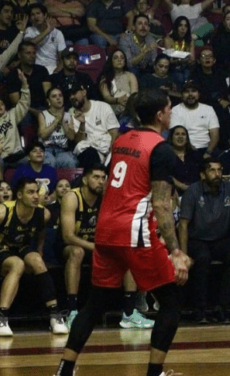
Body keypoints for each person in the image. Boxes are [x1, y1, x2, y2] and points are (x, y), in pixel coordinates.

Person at [55, 88, 192, 376]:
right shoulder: (160, 148)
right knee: (171, 302)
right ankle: (155, 373)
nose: (171, 113)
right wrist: (176, 250)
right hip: (134, 231)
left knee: (94, 303)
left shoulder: (122, 140)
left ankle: (65, 369)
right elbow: (161, 203)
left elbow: (110, 184)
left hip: (105, 229)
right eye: (169, 108)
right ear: (159, 114)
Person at [58, 164, 154, 331]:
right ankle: (72, 311)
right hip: (70, 246)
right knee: (77, 252)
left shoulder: (108, 198)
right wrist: (95, 247)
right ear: (85, 179)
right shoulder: (72, 197)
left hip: (99, 246)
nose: (101, 181)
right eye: (96, 177)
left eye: (103, 178)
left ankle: (130, 313)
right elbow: (68, 236)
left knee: (127, 252)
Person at [179, 158, 230, 324]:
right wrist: (183, 254)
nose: (217, 174)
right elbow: (183, 224)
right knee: (202, 258)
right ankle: (200, 310)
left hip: (221, 238)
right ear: (203, 175)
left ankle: (222, 308)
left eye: (219, 170)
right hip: (197, 239)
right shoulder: (193, 191)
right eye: (212, 170)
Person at [0, 177, 67, 337]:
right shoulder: (4, 211)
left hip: (21, 247)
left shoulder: (43, 213)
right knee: (18, 264)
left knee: (37, 260)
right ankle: (2, 317)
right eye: (30, 192)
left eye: (37, 192)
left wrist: (39, 251)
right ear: (20, 195)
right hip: (2, 248)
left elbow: (41, 233)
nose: (36, 196)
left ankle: (54, 315)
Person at [69, 84, 120, 167]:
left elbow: (114, 133)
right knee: (88, 153)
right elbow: (78, 142)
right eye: (69, 95)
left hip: (107, 148)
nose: (71, 97)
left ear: (84, 92)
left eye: (74, 93)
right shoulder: (72, 113)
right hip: (88, 151)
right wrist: (82, 123)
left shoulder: (103, 107)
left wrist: (111, 154)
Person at [169, 80, 220, 157]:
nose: (190, 94)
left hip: (207, 149)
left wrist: (208, 152)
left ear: (199, 94)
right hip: (186, 149)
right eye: (186, 91)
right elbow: (177, 135)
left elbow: (215, 134)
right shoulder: (175, 110)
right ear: (182, 95)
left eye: (193, 91)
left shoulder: (208, 109)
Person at [39, 87, 79, 168]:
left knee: (70, 161)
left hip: (62, 150)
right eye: (54, 96)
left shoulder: (68, 115)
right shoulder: (43, 114)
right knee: (49, 162)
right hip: (47, 149)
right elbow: (43, 135)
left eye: (60, 96)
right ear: (48, 101)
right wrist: (57, 120)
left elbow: (71, 137)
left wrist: (63, 120)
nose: (58, 98)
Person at [0, 70, 30, 170]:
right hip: (2, 157)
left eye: (1, 104)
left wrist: (24, 84)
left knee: (27, 162)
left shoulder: (12, 114)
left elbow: (24, 103)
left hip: (17, 154)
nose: (0, 106)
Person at [24, 3, 66, 74]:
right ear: (30, 19)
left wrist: (57, 71)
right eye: (33, 15)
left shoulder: (57, 33)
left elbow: (62, 58)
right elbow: (29, 45)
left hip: (53, 68)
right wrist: (47, 31)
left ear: (45, 15)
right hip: (36, 68)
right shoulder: (29, 30)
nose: (36, 17)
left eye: (38, 13)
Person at [98, 49, 138, 117]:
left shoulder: (130, 76)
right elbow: (107, 97)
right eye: (116, 58)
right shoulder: (104, 78)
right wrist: (117, 100)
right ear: (111, 61)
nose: (119, 60)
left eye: (122, 58)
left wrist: (127, 101)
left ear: (125, 61)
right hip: (112, 111)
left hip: (129, 108)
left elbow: (134, 95)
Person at [167, 125, 202, 195]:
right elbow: (165, 175)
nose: (180, 137)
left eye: (183, 134)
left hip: (197, 194)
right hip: (174, 195)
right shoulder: (166, 156)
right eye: (177, 134)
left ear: (187, 138)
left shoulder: (196, 155)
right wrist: (182, 186)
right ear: (171, 138)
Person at [162, 16, 195, 90]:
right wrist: (179, 61)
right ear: (176, 27)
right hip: (172, 66)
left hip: (186, 66)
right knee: (179, 76)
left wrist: (188, 61)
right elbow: (167, 60)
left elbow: (192, 60)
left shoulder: (190, 41)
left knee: (187, 73)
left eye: (185, 26)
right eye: (180, 25)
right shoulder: (168, 40)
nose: (183, 28)